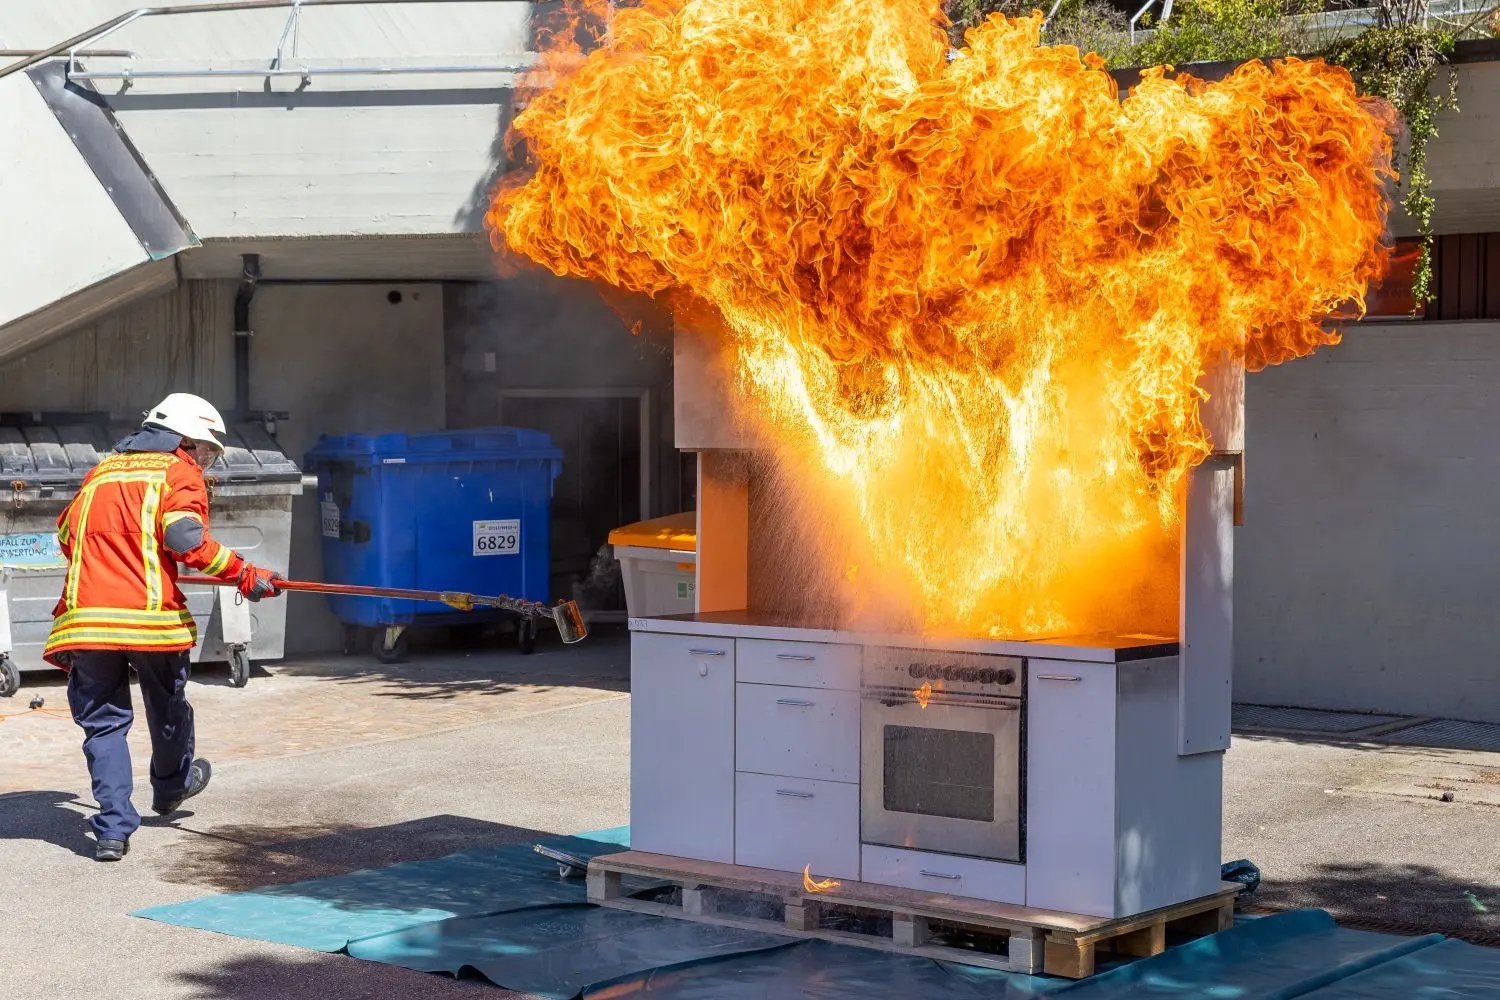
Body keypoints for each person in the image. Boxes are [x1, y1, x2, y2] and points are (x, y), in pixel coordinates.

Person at [45, 393, 285, 861]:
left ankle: (113, 830)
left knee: (103, 725)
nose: (207, 460)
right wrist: (244, 574)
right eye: (207, 450)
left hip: (88, 620)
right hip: (150, 618)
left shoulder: (100, 473)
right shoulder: (177, 472)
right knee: (167, 705)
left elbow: (66, 536)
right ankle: (171, 786)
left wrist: (116, 560)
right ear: (185, 441)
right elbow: (185, 540)